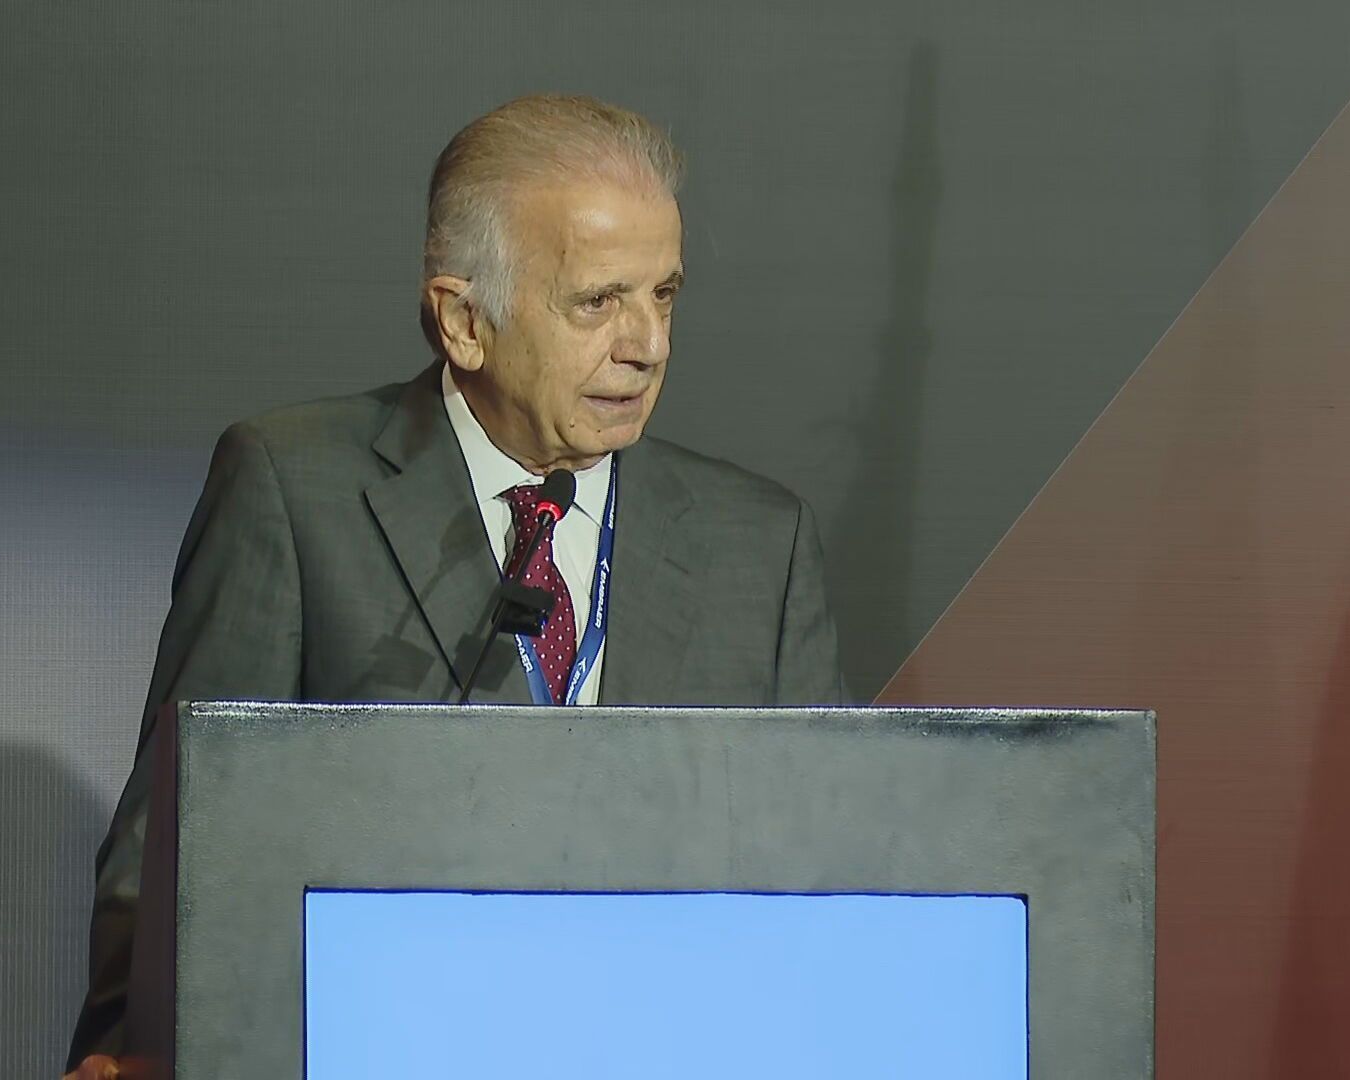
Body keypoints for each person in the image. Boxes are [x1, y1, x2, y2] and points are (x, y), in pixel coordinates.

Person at [62, 93, 845, 1079]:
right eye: (597, 303)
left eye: (664, 294)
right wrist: (128, 1050)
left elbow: (829, 870)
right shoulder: (297, 493)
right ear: (465, 321)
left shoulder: (758, 545)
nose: (647, 344)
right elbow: (179, 840)